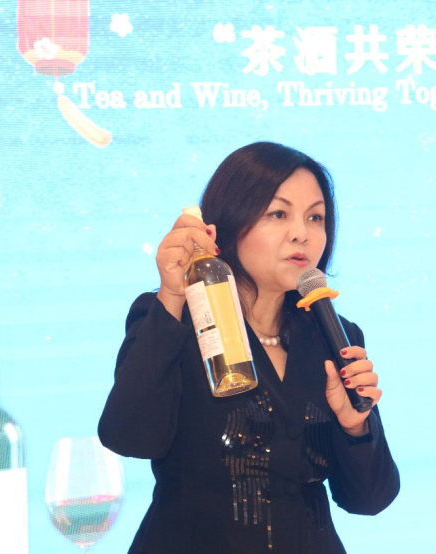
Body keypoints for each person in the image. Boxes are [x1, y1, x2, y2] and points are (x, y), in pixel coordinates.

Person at [98, 142, 399, 553]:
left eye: (315, 217)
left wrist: (355, 427)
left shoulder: (334, 336)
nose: (302, 233)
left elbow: (370, 499)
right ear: (228, 223)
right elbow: (129, 438)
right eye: (279, 214)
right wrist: (172, 294)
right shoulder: (173, 319)